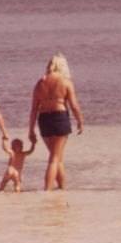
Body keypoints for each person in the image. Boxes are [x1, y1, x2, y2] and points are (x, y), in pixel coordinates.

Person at [28, 53, 84, 191]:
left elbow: (34, 109)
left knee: (57, 157)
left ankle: (62, 189)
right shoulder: (65, 83)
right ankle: (47, 191)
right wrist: (80, 121)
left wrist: (31, 130)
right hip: (59, 117)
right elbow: (74, 105)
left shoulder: (40, 83)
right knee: (54, 159)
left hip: (44, 119)